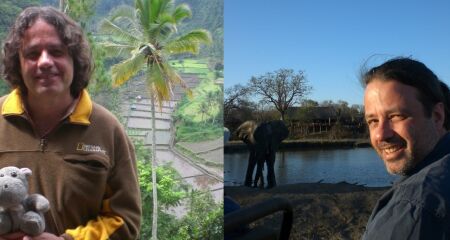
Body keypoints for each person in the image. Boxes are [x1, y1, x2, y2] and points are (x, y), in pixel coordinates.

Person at [0, 6, 141, 240]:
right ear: (18, 63)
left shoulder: (106, 128)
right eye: (33, 54)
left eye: (56, 51)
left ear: (75, 60)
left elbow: (124, 220)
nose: (44, 62)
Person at [361, 57, 450, 239]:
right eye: (373, 121)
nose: (380, 135)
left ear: (437, 116)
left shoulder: (414, 208)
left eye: (396, 116)